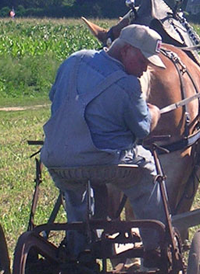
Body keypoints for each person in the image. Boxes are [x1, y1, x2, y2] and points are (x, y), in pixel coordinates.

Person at [41, 25, 167, 258]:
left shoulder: (73, 61)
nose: (144, 69)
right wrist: (154, 113)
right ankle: (157, 247)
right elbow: (142, 129)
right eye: (143, 62)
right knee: (148, 169)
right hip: (106, 162)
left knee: (74, 193)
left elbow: (54, 97)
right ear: (125, 50)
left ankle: (78, 249)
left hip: (56, 159)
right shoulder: (129, 85)